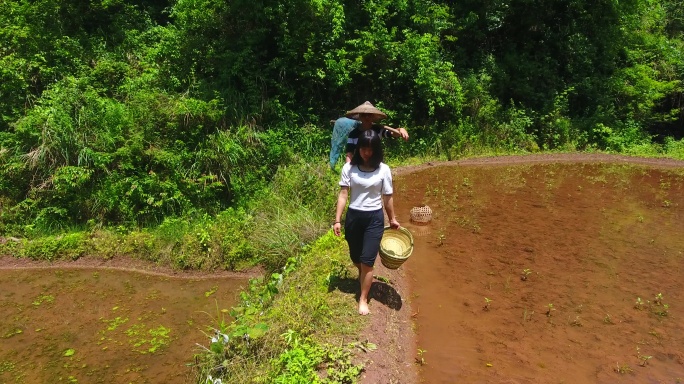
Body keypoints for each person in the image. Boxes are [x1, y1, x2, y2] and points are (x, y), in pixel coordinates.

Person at [332, 129, 401, 315]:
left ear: (376, 150)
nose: (366, 153)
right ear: (358, 149)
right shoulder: (349, 168)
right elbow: (343, 194)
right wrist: (337, 220)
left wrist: (392, 218)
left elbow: (387, 197)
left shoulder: (383, 169)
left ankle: (363, 298)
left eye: (370, 149)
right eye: (363, 148)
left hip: (374, 219)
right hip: (354, 217)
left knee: (368, 261)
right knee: (356, 258)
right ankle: (362, 275)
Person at [328, 101, 409, 169]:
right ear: (359, 116)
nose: (366, 117)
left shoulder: (378, 130)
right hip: (360, 167)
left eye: (369, 115)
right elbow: (350, 153)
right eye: (363, 115)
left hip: (376, 166)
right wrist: (348, 169)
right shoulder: (353, 134)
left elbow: (393, 134)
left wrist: (400, 129)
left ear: (373, 116)